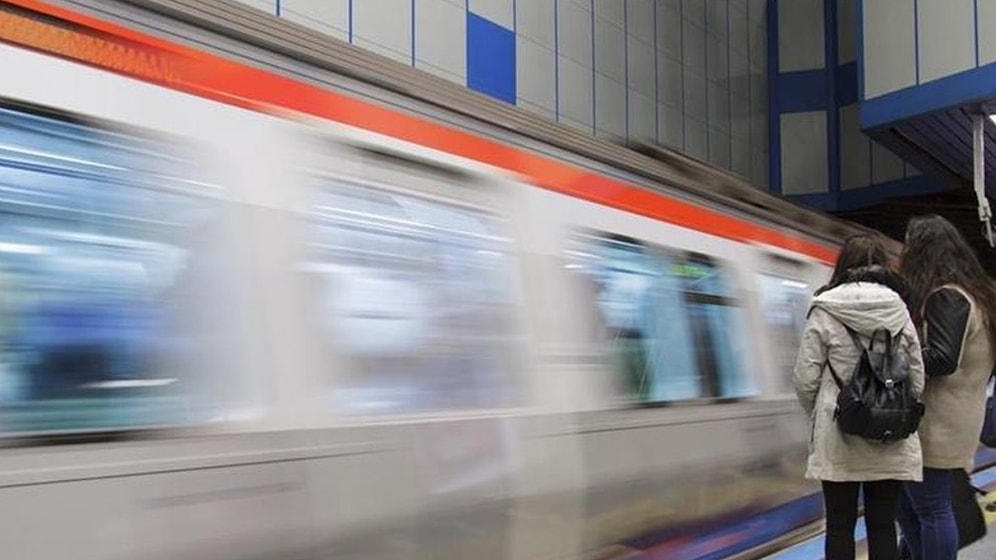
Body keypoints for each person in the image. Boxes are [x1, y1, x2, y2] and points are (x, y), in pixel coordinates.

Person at [794, 233, 925, 560]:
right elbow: (918, 378)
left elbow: (805, 378)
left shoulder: (825, 308)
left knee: (840, 525)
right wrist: (890, 407)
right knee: (882, 525)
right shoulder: (900, 310)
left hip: (839, 436)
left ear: (843, 266)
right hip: (889, 436)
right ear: (883, 266)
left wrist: (827, 412)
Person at [895, 215, 996, 560]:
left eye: (909, 244)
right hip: (956, 417)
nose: (904, 252)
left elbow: (941, 359)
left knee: (931, 510)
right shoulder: (977, 297)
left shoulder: (947, 297)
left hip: (936, 422)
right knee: (912, 507)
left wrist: (895, 360)